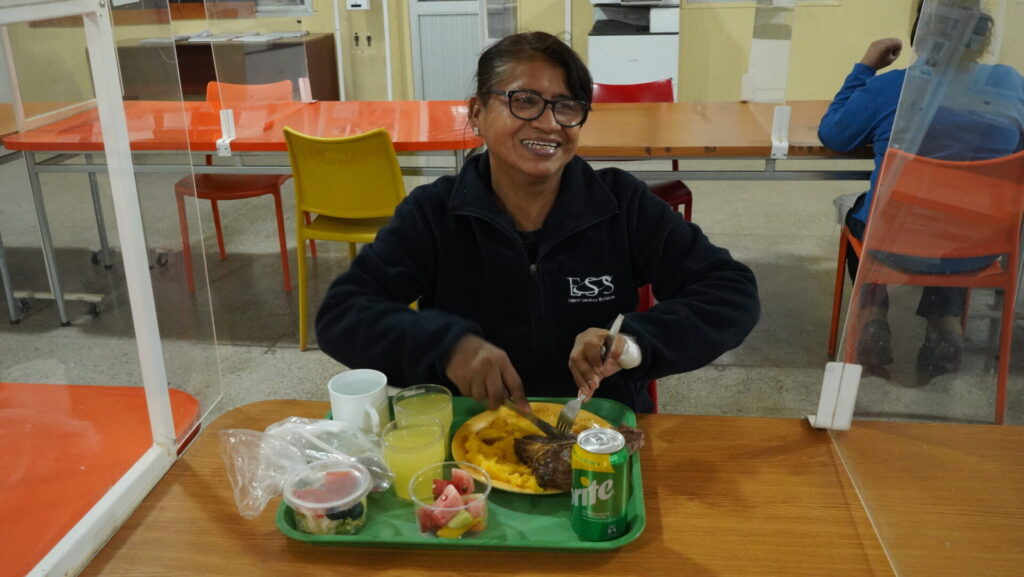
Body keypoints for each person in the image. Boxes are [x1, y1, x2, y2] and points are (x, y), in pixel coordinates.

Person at [315, 31, 760, 413]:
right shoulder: (434, 214)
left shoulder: (620, 204)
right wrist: (445, 347)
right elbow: (344, 313)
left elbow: (730, 292)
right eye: (524, 100)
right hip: (476, 437)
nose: (549, 124)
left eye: (567, 106)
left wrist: (633, 344)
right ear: (476, 113)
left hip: (599, 435)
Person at [819, 0, 1024, 379]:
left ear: (921, 33)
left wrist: (865, 67)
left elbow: (834, 134)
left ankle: (872, 314)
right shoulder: (1011, 84)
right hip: (980, 248)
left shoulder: (891, 88)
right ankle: (946, 322)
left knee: (859, 211)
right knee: (955, 216)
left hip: (894, 242)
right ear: (982, 35)